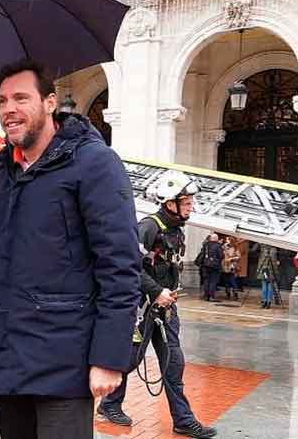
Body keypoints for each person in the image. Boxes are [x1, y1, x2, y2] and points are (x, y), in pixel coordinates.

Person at [0, 59, 141, 439]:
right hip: (9, 357)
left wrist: (108, 358)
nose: (9, 109)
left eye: (21, 98)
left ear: (49, 102)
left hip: (65, 363)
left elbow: (120, 266)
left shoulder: (94, 163)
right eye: (3, 100)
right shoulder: (0, 172)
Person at [98, 169, 218, 438]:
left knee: (173, 363)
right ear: (170, 202)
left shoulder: (176, 230)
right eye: (186, 202)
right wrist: (155, 291)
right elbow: (129, 266)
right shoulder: (148, 228)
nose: (191, 207)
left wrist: (166, 295)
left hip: (165, 309)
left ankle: (183, 419)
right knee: (129, 359)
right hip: (141, 309)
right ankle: (109, 404)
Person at [256, 243, 280, 309]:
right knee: (270, 286)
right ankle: (268, 302)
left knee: (265, 285)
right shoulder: (274, 249)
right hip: (272, 270)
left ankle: (264, 301)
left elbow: (254, 249)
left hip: (264, 270)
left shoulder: (263, 249)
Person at [201, 234, 223, 302]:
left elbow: (203, 254)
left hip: (205, 265)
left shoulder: (206, 245)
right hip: (214, 266)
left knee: (206, 280)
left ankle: (206, 295)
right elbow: (221, 256)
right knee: (213, 281)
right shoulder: (218, 246)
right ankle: (211, 296)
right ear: (216, 239)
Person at [221, 237, 241, 301]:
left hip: (231, 266)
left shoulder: (235, 248)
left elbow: (238, 256)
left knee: (232, 280)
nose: (226, 241)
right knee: (226, 280)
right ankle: (228, 293)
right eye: (226, 239)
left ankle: (235, 294)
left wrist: (232, 259)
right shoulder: (224, 247)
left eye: (227, 239)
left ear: (230, 241)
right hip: (225, 266)